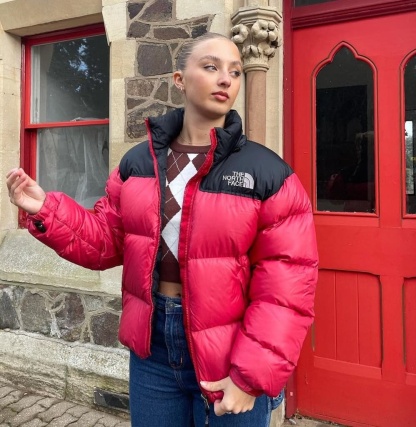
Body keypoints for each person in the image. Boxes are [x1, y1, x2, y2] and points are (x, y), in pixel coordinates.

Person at [6, 32, 318, 427]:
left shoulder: (267, 172)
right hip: (153, 348)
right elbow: (106, 241)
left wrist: (251, 375)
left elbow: (286, 285)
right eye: (211, 66)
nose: (226, 78)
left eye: (236, 71)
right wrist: (46, 209)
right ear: (179, 80)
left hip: (229, 352)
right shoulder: (138, 163)